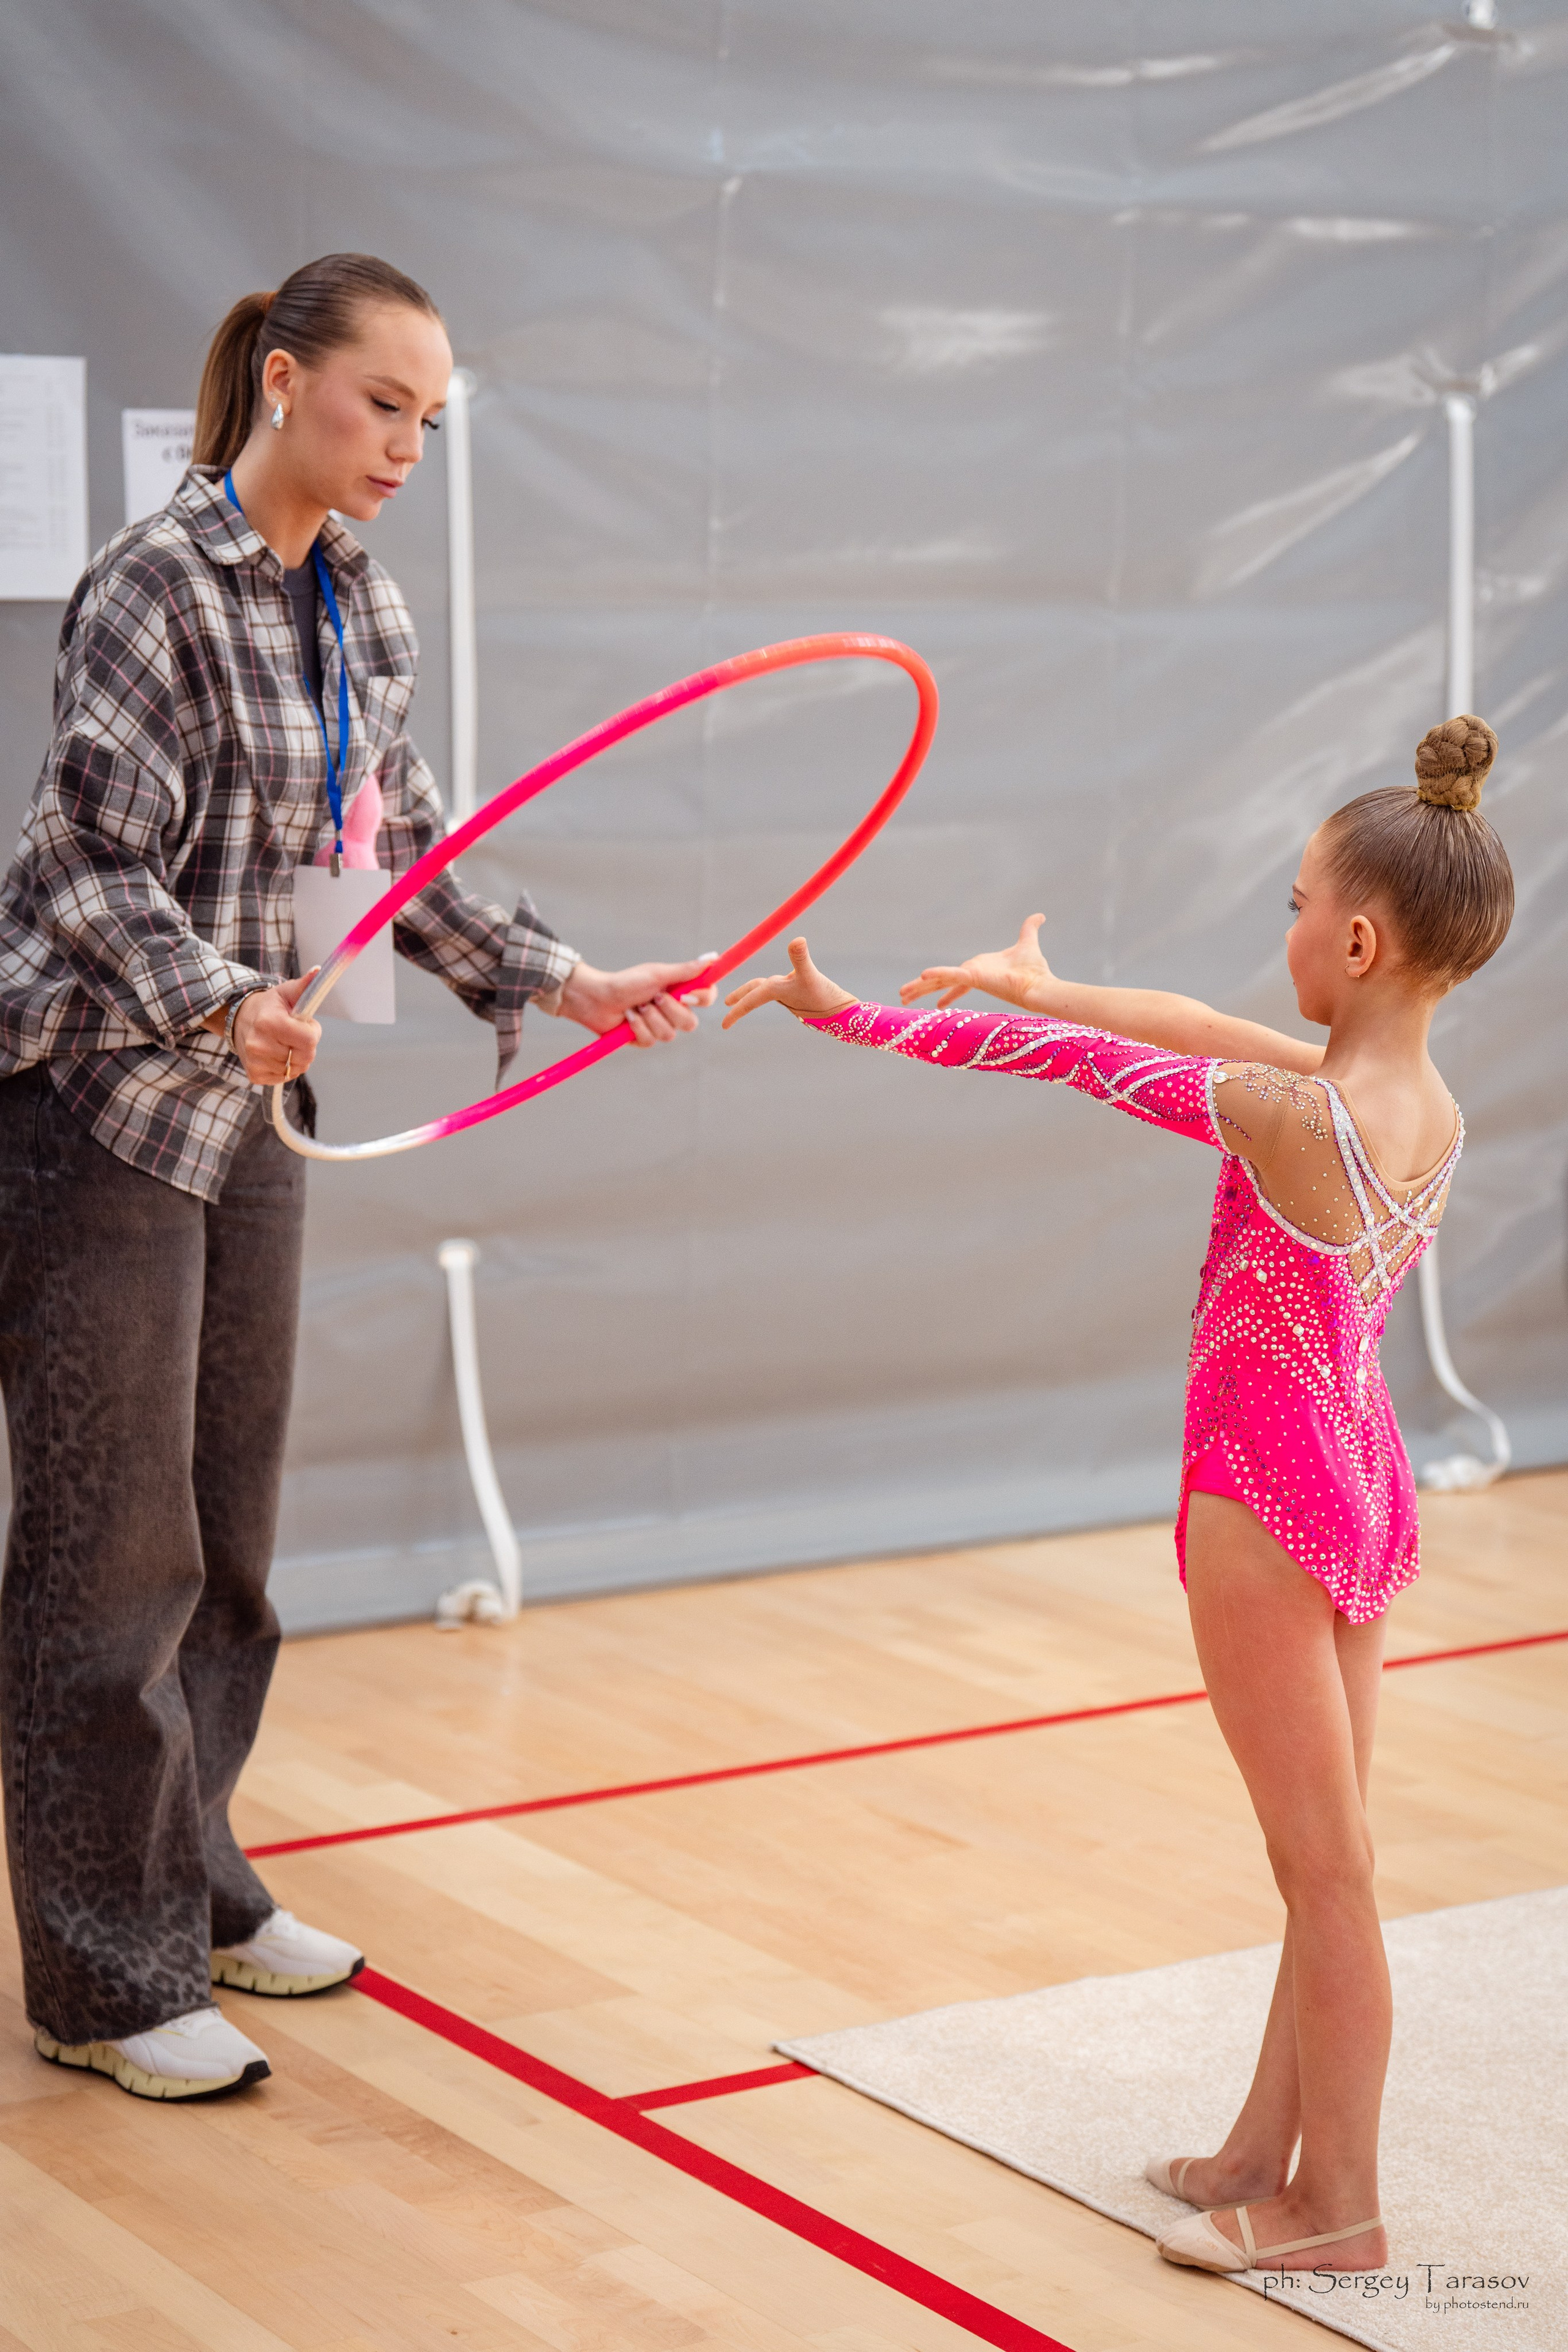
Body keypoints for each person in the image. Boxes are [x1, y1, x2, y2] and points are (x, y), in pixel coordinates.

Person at [0, 252, 715, 2103]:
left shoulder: (362, 610)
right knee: (107, 1556)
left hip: (253, 1120)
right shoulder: (158, 579)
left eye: (431, 421)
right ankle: (104, 1978)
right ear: (288, 381)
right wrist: (220, 998)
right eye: (383, 403)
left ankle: (199, 1885)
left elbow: (391, 852)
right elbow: (79, 863)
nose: (407, 445)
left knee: (227, 1539)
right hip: (98, 1108)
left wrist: (561, 978)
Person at [722, 717, 1513, 2277]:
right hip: (1359, 1476)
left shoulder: (1296, 1118)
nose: (1278, 929)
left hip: (1259, 1486)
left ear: (1353, 939)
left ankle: (1335, 2206)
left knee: (1325, 1870)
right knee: (1328, 1854)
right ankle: (1256, 2153)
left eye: (1292, 904)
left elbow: (1098, 1068)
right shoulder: (1409, 1101)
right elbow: (1177, 1019)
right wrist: (1045, 978)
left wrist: (859, 1020)